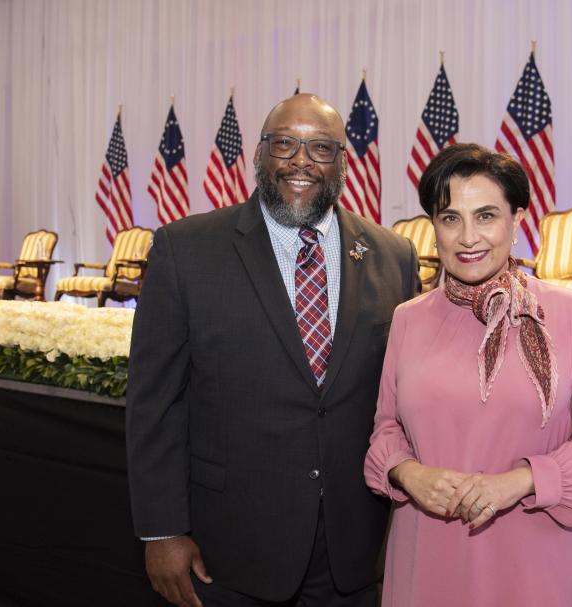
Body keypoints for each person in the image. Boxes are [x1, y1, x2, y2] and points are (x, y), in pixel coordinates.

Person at [127, 94, 421, 607]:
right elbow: (155, 403)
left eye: (320, 148)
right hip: (230, 550)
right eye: (285, 143)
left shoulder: (393, 256)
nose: (301, 161)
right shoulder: (186, 249)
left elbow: (406, 395)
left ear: (343, 163)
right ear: (260, 155)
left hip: (352, 550)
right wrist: (160, 531)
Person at [364, 143, 572, 607]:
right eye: (450, 219)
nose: (468, 237)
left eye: (485, 216)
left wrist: (522, 481)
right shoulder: (408, 318)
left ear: (517, 220)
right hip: (426, 557)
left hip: (530, 559)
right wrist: (408, 473)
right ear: (434, 229)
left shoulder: (567, 315)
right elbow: (386, 430)